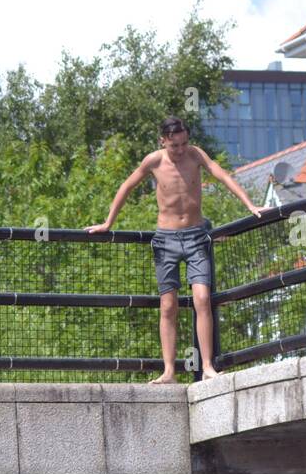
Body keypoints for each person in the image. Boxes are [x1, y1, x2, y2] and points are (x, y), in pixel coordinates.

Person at [85, 116, 267, 383]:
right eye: (174, 146)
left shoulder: (196, 155)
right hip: (166, 239)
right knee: (168, 305)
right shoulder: (154, 161)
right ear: (163, 141)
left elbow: (221, 174)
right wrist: (108, 222)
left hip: (196, 237)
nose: (180, 150)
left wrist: (250, 205)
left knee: (202, 299)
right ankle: (169, 371)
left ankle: (207, 367)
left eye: (183, 144)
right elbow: (126, 186)